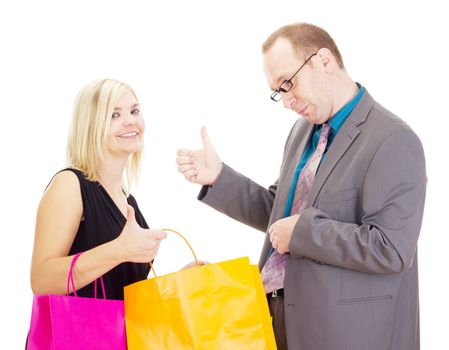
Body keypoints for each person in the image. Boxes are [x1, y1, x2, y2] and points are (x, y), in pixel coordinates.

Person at [176, 23, 427, 350]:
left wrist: (304, 234)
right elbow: (280, 213)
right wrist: (220, 178)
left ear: (325, 61)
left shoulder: (393, 140)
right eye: (278, 91)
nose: (286, 100)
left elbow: (391, 249)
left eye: (288, 83)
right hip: (277, 319)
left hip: (343, 335)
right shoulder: (302, 132)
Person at [30, 79, 167, 301]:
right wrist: (119, 250)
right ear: (91, 126)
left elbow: (122, 292)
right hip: (75, 335)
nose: (130, 121)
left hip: (116, 336)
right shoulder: (69, 184)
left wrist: (182, 279)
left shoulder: (128, 200)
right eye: (114, 115)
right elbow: (41, 281)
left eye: (134, 111)